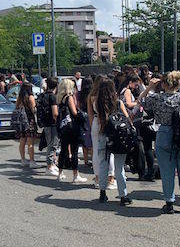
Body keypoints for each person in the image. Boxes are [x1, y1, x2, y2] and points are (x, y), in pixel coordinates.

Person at [139, 72, 180, 214]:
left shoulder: (156, 98)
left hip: (164, 133)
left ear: (164, 84)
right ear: (179, 83)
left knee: (167, 171)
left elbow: (141, 102)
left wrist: (149, 87)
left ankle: (169, 202)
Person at [90, 78, 133, 206]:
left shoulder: (96, 102)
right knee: (119, 167)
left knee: (103, 164)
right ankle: (123, 195)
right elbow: (127, 119)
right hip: (118, 136)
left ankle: (102, 193)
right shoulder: (118, 103)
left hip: (103, 133)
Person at [56, 78, 88, 183]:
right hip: (72, 126)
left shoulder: (60, 98)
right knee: (74, 151)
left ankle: (60, 173)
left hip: (64, 127)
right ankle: (75, 174)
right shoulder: (69, 97)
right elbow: (74, 112)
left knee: (63, 150)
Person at [38, 77, 59, 176]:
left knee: (50, 144)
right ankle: (49, 166)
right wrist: (57, 121)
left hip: (45, 123)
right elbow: (55, 113)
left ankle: (52, 164)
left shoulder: (43, 95)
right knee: (53, 145)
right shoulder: (53, 97)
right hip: (52, 124)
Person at [15, 82, 37, 168]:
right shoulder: (30, 97)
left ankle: (23, 160)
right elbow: (33, 110)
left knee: (22, 141)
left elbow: (17, 108)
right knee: (30, 142)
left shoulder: (19, 98)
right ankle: (32, 161)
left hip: (21, 122)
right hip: (29, 120)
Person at [78, 77, 93, 169]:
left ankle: (86, 160)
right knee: (92, 139)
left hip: (83, 115)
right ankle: (92, 158)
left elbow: (78, 105)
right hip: (90, 116)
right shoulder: (92, 94)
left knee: (84, 138)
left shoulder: (80, 94)